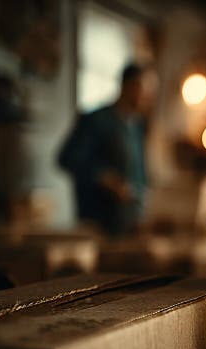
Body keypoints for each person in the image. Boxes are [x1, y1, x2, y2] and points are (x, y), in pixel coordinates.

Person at [59, 63, 157, 235]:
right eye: (144, 88)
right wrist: (106, 178)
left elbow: (140, 174)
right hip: (99, 222)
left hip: (131, 222)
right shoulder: (96, 120)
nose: (148, 96)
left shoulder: (137, 126)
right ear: (129, 86)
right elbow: (68, 159)